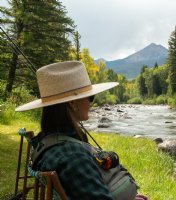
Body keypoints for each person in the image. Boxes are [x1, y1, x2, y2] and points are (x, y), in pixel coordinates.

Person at [16, 61, 148, 200]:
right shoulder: (73, 157)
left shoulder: (46, 140)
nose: (91, 103)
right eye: (90, 97)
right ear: (73, 103)